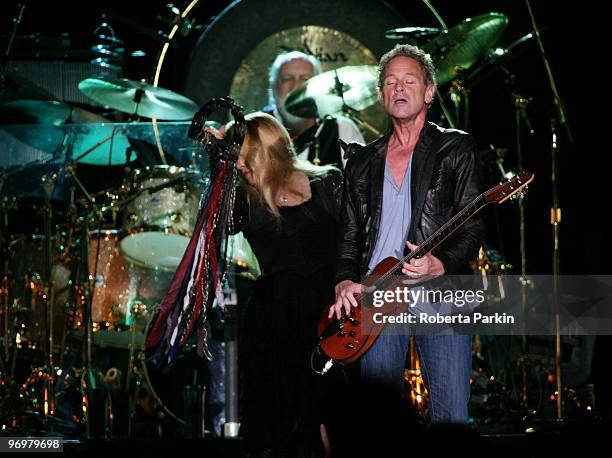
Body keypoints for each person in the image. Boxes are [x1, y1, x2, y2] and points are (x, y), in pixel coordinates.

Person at [329, 44, 485, 424]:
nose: (399, 88)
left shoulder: (456, 147)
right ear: (382, 95)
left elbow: (473, 225)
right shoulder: (363, 161)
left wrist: (441, 263)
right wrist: (344, 281)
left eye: (409, 80)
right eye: (390, 82)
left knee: (450, 417)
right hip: (379, 296)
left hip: (441, 294)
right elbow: (349, 235)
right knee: (378, 423)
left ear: (429, 91)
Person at [207, 112, 343, 457]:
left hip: (329, 319)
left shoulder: (329, 182)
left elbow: (354, 248)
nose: (239, 166)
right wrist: (219, 161)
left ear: (267, 153)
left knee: (329, 418)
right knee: (274, 426)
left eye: (243, 158)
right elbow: (214, 221)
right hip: (274, 323)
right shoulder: (245, 201)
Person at [264, 51, 365, 168]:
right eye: (287, 79)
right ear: (273, 87)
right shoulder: (257, 128)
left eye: (305, 79)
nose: (296, 87)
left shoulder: (342, 128)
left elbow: (363, 181)